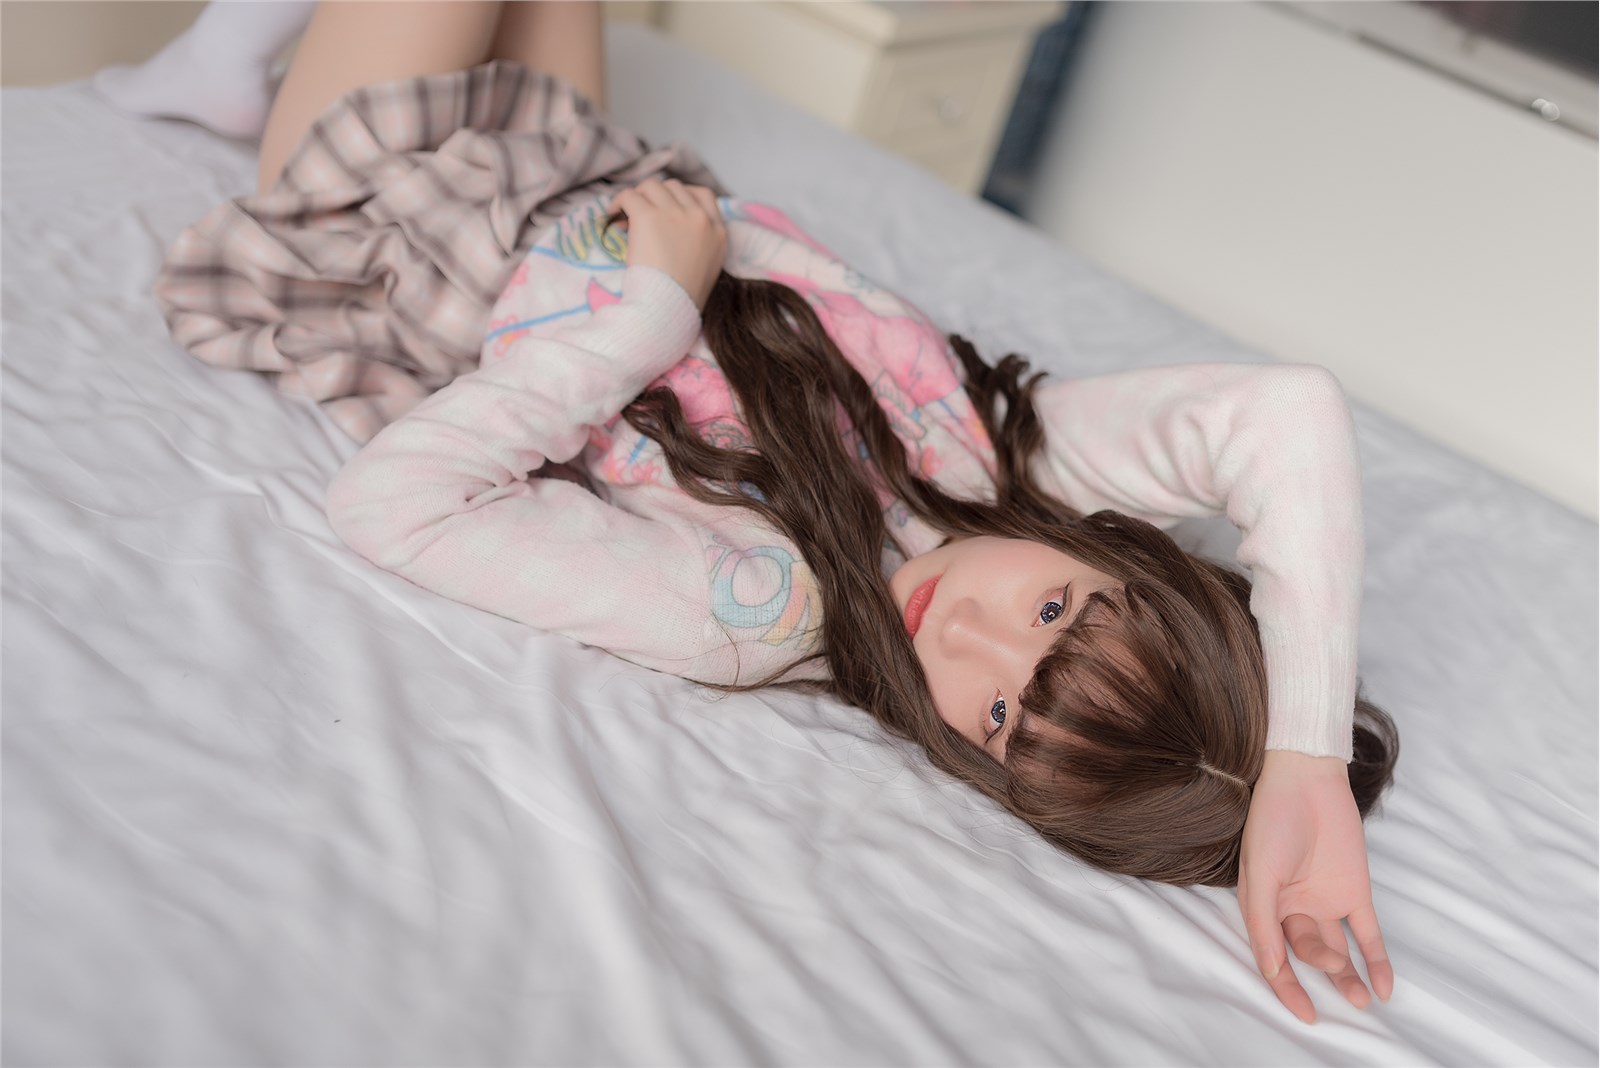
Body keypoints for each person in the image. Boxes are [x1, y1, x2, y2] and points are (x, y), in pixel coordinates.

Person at [142, 0, 1398, 1027]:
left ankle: (224, 75)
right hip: (600, 165)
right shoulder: (1010, 463)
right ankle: (230, 60)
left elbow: (392, 507)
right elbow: (1284, 413)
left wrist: (653, 310)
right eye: (1052, 608)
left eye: (1003, 716)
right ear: (1117, 552)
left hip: (418, 218)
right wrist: (1302, 759)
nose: (959, 633)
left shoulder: (751, 606)